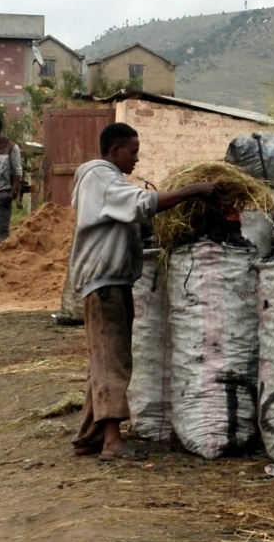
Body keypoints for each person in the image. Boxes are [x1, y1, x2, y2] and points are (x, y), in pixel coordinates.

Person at [67, 122, 216, 460]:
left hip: (112, 280)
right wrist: (192, 190)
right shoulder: (100, 177)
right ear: (115, 150)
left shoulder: (108, 180)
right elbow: (141, 204)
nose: (136, 158)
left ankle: (88, 437)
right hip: (104, 283)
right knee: (112, 361)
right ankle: (111, 442)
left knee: (106, 358)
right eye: (132, 152)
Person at [0, 115, 23, 243]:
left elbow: (17, 172)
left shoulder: (11, 147)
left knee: (2, 237)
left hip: (2, 198)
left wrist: (10, 195)